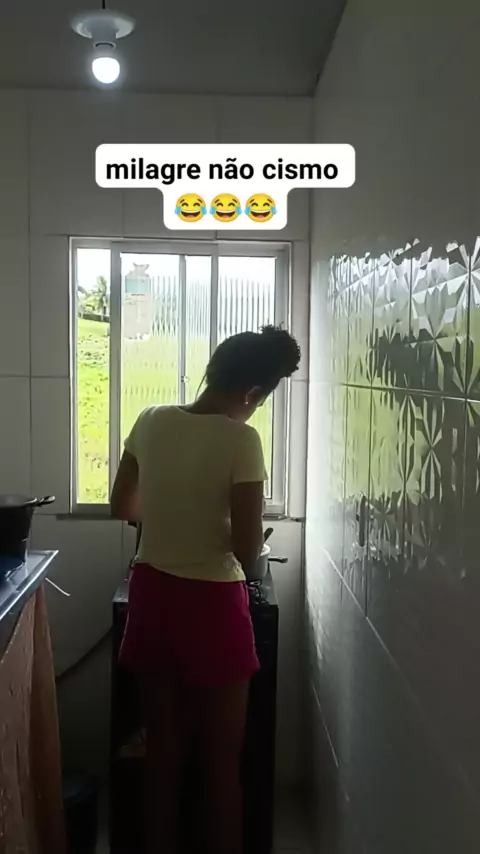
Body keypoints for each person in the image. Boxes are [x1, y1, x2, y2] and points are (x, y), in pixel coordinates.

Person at [110, 325, 301, 854]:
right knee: (220, 766)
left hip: (152, 595)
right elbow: (246, 547)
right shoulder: (242, 439)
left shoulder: (150, 418)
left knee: (161, 756)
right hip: (212, 605)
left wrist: (172, 518)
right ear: (252, 393)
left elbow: (122, 505)